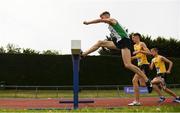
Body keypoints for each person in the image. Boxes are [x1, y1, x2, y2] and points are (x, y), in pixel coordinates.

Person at [82, 11, 152, 92]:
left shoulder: (112, 20)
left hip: (124, 42)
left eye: (102, 17)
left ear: (106, 16)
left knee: (128, 64)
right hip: (119, 42)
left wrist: (88, 22)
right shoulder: (110, 25)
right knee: (100, 43)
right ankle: (83, 54)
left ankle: (147, 80)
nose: (102, 19)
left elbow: (99, 21)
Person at [128, 33, 151, 106]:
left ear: (137, 37)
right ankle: (153, 83)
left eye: (133, 37)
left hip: (144, 65)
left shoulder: (142, 44)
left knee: (134, 80)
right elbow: (139, 56)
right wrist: (132, 58)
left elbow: (149, 53)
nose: (132, 39)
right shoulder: (134, 46)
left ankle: (137, 101)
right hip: (140, 65)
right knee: (142, 84)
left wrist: (140, 51)